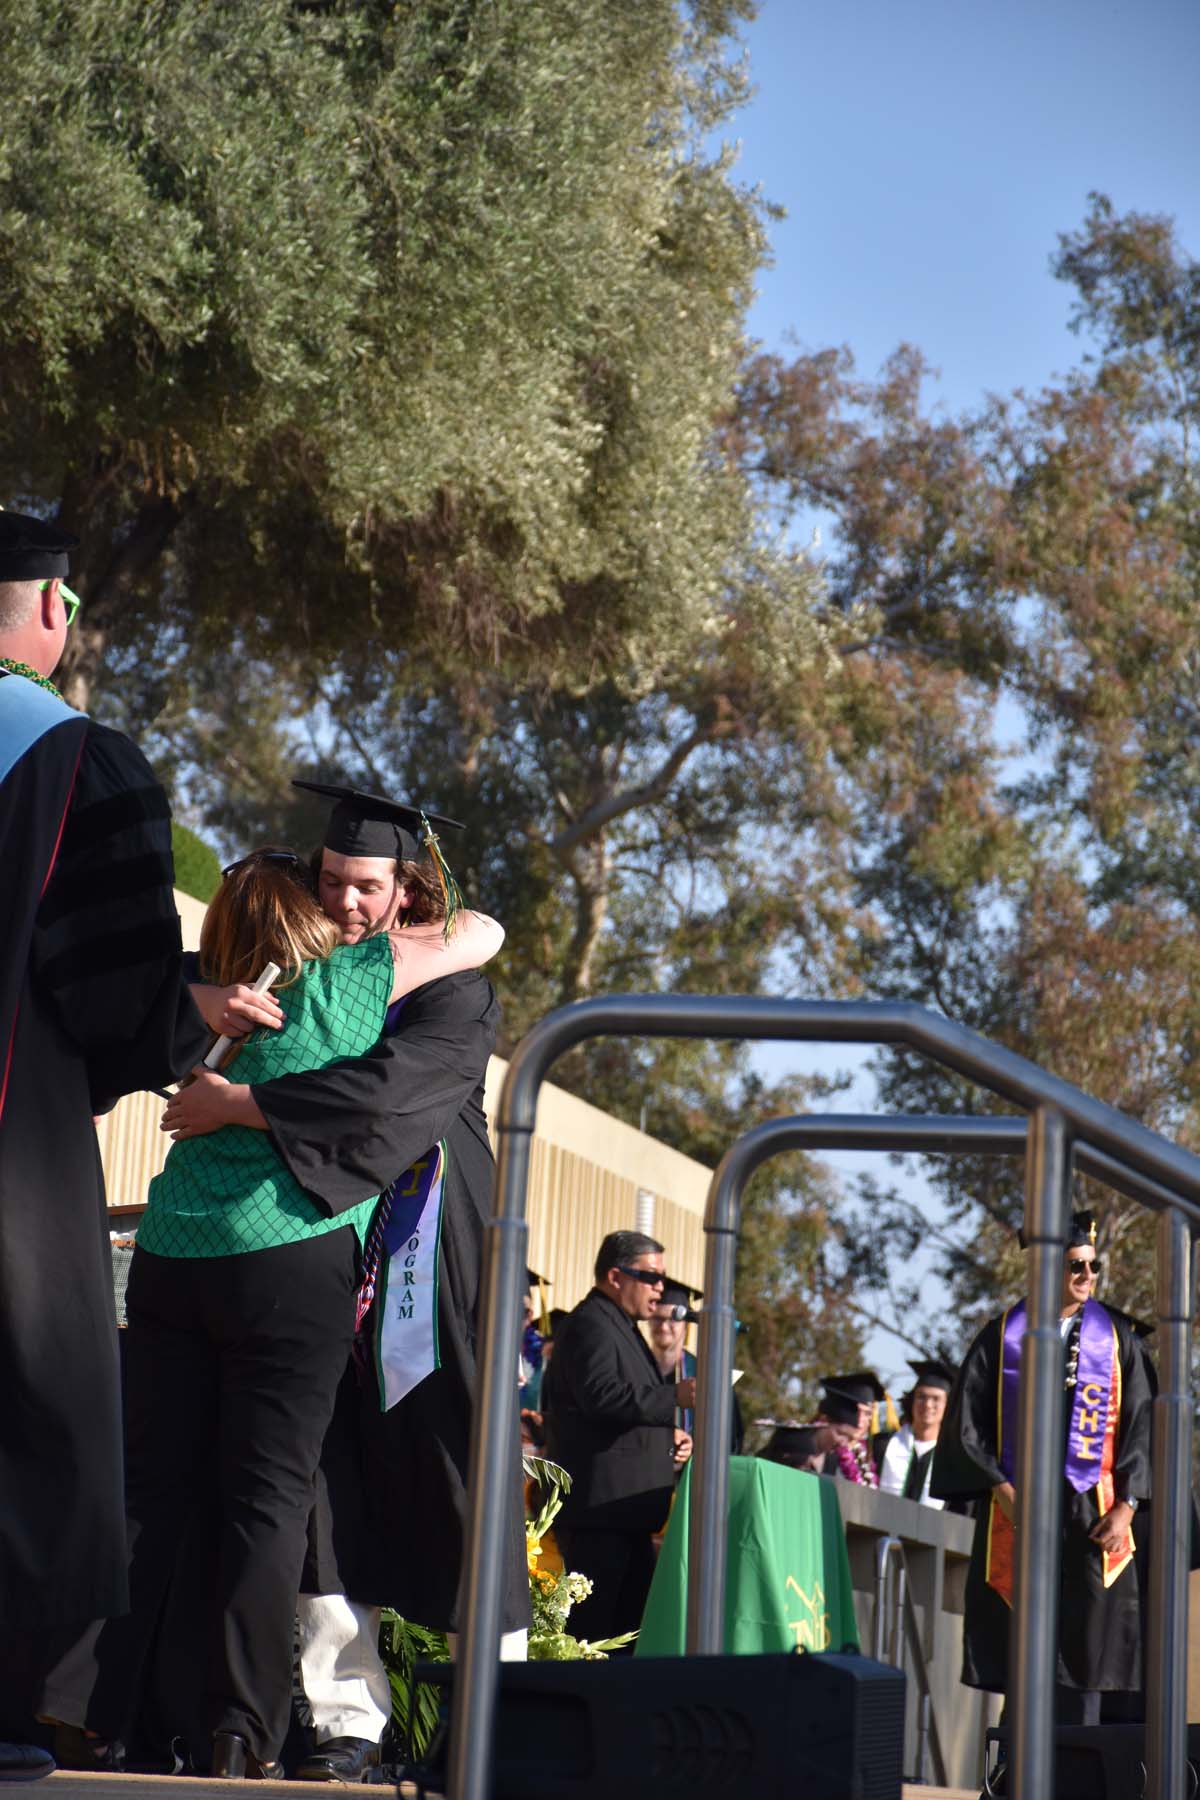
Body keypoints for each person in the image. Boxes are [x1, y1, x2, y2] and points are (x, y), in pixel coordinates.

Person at [57, 849, 503, 1778]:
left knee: (144, 1495)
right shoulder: (348, 984)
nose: (346, 903)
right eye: (328, 888)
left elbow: (119, 1011)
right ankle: (239, 1730)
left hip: (172, 1254)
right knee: (267, 1504)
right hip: (287, 1262)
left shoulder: (204, 1001)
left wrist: (207, 1020)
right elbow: (480, 931)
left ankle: (82, 1710)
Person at [164, 783, 529, 1782]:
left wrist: (241, 1103)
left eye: (366, 885)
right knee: (322, 1481)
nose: (345, 901)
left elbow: (387, 1095)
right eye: (331, 881)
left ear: (408, 887)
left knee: (451, 1470)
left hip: (428, 1252)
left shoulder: (451, 988)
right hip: (317, 1246)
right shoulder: (300, 961)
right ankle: (345, 1719)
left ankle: (493, 1712)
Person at [0, 509, 208, 1780]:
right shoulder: (74, 758)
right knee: (26, 1417)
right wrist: (192, 1013)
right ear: (52, 608)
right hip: (12, 1159)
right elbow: (115, 996)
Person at [931, 1210, 1152, 1725]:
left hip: (1093, 1518)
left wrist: (1127, 1505)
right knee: (1025, 1659)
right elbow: (967, 1425)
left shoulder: (1118, 1340)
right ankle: (1018, 1764)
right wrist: (1001, 1488)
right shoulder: (1002, 1337)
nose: (1088, 1276)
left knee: (1085, 1662)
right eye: (1077, 1266)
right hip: (1019, 1515)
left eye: (1093, 1266)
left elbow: (1144, 1426)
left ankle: (1081, 1763)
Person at [542, 1231, 696, 1646]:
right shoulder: (590, 1324)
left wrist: (667, 1438)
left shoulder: (620, 1326)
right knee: (592, 1641)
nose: (660, 1287)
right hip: (600, 1518)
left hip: (626, 1518)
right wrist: (675, 1397)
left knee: (627, 1642)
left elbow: (624, 1403)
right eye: (651, 1276)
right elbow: (602, 1397)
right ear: (615, 1276)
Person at [760, 1372, 885, 1483]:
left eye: (848, 1438)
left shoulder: (829, 1455)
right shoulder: (794, 1443)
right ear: (823, 1421)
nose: (843, 1443)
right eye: (841, 1434)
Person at [874, 1359, 956, 1507]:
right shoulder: (881, 1446)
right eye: (921, 1397)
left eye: (936, 1399)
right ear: (911, 1401)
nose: (927, 1405)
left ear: (947, 1406)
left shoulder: (952, 1459)